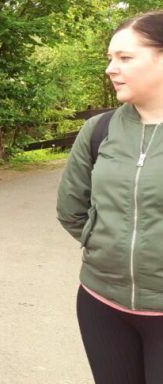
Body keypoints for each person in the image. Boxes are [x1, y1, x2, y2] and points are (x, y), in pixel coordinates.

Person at [56, 10, 163, 384]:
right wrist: (104, 244)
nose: (110, 69)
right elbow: (71, 209)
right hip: (101, 304)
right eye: (110, 58)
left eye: (125, 57)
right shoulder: (98, 129)